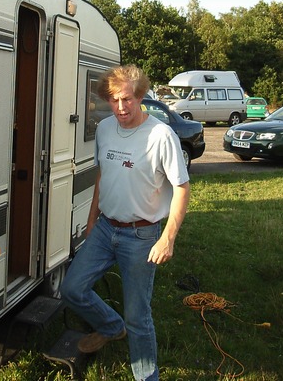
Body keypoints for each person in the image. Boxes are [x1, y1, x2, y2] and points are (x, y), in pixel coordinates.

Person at [61, 64, 191, 381]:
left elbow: (182, 187)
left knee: (138, 316)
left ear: (141, 96)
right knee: (72, 289)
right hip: (105, 228)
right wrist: (92, 219)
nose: (120, 107)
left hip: (141, 235)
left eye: (127, 99)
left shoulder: (161, 135)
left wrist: (168, 238)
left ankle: (146, 377)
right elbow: (103, 175)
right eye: (114, 100)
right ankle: (110, 326)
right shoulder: (105, 129)